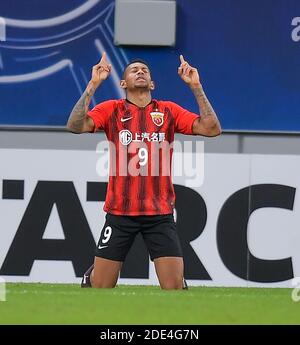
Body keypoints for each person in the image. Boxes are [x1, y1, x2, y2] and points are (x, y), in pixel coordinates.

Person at [66, 52, 221, 289]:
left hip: (159, 214)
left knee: (174, 288)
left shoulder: (168, 110)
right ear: (123, 83)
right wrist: (93, 84)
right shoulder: (112, 110)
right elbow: (75, 126)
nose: (140, 72)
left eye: (144, 71)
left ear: (152, 84)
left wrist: (196, 87)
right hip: (120, 213)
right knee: (100, 287)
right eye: (134, 70)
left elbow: (211, 129)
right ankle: (93, 275)